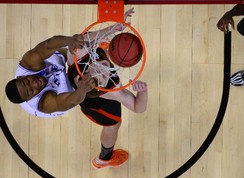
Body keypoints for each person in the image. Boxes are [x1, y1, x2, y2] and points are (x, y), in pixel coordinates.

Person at [5, 8, 148, 169]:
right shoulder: (45, 103)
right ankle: (104, 159)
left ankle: (99, 49)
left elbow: (51, 43)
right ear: (31, 98)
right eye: (31, 91)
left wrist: (112, 28)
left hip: (76, 68)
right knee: (113, 124)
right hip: (72, 95)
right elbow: (72, 100)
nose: (33, 85)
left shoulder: (33, 62)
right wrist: (83, 90)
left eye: (27, 82)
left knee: (77, 45)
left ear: (22, 76)